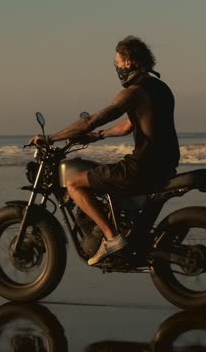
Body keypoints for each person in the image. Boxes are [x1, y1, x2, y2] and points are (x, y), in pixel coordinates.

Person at [29, 36, 180, 265]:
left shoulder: (134, 91)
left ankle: (112, 238)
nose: (117, 66)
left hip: (143, 165)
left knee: (74, 183)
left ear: (128, 61)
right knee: (103, 177)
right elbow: (129, 125)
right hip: (166, 163)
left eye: (118, 61)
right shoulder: (160, 88)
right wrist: (100, 136)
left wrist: (51, 138)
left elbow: (91, 120)